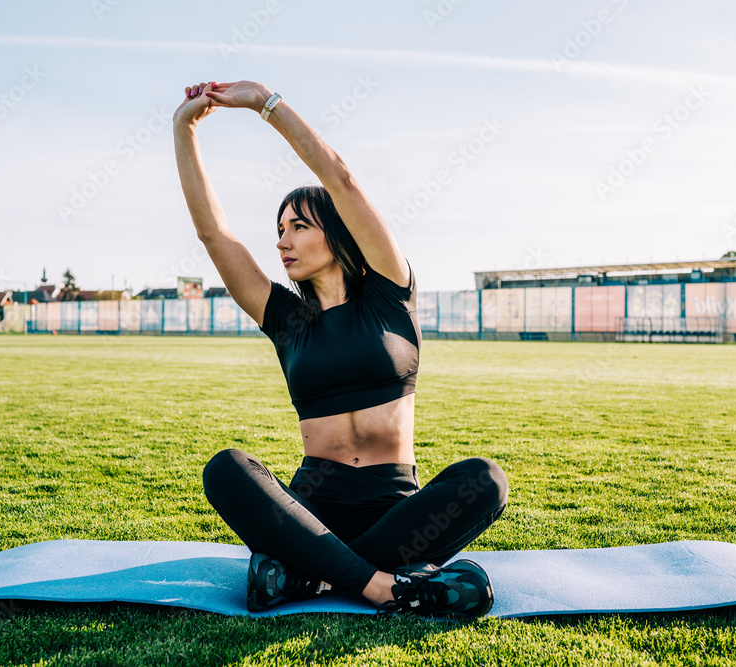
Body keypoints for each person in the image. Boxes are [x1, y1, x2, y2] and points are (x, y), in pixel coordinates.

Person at [173, 80, 508, 618]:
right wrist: (183, 127)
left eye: (298, 226)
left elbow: (339, 177)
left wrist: (264, 103)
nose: (281, 241)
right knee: (225, 470)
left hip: (394, 511)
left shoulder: (390, 294)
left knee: (485, 479)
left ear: (336, 231)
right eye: (279, 229)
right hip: (311, 511)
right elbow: (215, 235)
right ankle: (382, 584)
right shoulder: (286, 319)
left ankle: (310, 575)